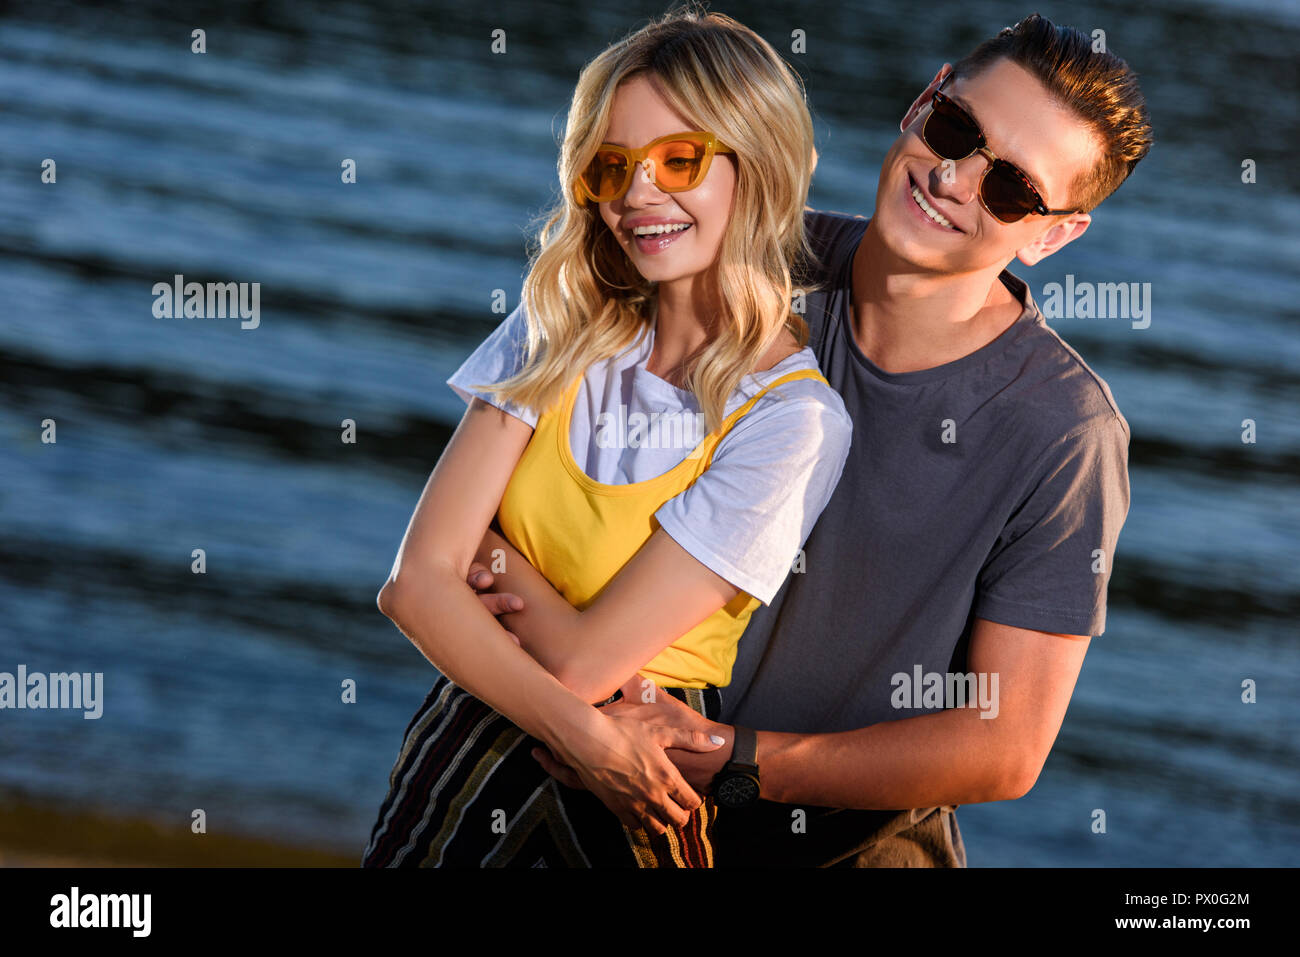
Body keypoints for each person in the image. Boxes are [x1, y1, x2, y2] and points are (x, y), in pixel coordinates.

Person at [485, 13, 1152, 866]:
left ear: (1055, 233)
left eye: (1013, 189)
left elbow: (1006, 743)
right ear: (922, 102)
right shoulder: (744, 257)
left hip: (846, 850)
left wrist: (733, 761)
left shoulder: (1064, 432)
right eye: (955, 129)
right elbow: (531, 465)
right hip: (602, 779)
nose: (953, 179)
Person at [362, 9, 852, 868]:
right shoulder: (560, 322)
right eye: (613, 165)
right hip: (468, 759)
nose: (637, 194)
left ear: (758, 162)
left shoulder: (790, 419)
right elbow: (410, 588)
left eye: (679, 160)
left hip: (620, 808)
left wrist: (489, 555)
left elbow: (587, 661)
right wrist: (587, 735)